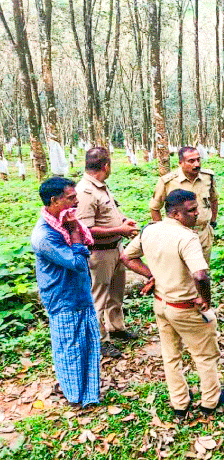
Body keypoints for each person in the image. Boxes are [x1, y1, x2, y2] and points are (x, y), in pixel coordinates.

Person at [122, 189, 224, 418]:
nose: (197, 214)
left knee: (171, 355)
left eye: (197, 209)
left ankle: (179, 403)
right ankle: (210, 401)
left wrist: (151, 275)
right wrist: (205, 300)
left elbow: (127, 257)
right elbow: (200, 275)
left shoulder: (150, 229)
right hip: (186, 307)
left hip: (162, 305)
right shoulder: (187, 237)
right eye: (191, 211)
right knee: (205, 355)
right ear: (176, 214)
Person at [31, 177, 100, 408]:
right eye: (71, 197)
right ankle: (74, 395)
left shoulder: (59, 224)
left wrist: (73, 230)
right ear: (54, 201)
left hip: (79, 293)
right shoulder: (46, 236)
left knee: (88, 343)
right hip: (63, 299)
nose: (77, 200)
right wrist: (74, 232)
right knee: (69, 348)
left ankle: (89, 393)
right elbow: (78, 262)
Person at [76, 147, 140, 358]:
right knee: (99, 298)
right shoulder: (84, 191)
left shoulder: (101, 187)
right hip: (99, 253)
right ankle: (101, 340)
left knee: (116, 293)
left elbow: (109, 213)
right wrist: (119, 230)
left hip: (115, 248)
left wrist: (123, 221)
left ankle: (116, 327)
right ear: (106, 166)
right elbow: (86, 229)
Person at [148, 147, 218, 262]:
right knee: (182, 274)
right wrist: (163, 232)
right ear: (181, 163)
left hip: (203, 234)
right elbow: (155, 208)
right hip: (179, 236)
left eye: (198, 160)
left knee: (202, 272)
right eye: (191, 161)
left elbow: (214, 200)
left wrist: (212, 221)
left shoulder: (207, 177)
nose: (196, 164)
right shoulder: (168, 182)